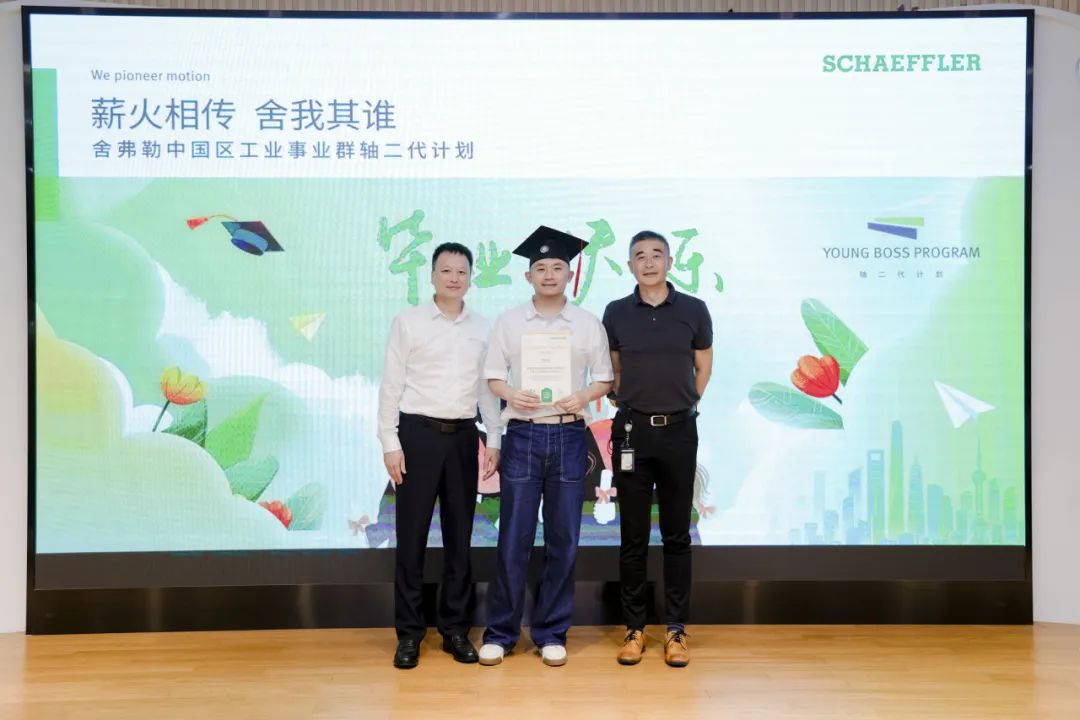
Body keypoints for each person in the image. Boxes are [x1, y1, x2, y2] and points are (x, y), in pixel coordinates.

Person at [477, 226, 613, 668]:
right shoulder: (510, 322)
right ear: (528, 276)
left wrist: (584, 396)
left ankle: (552, 631)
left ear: (569, 274)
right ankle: (500, 633)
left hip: (570, 435)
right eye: (541, 268)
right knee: (513, 538)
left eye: (557, 267)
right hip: (524, 435)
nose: (549, 274)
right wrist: (511, 394)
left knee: (563, 538)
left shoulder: (587, 323)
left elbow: (604, 378)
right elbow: (493, 375)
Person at [377, 242, 502, 670]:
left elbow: (486, 388)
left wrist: (495, 438)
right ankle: (409, 634)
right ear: (432, 275)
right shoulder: (408, 322)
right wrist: (389, 442)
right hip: (417, 435)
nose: (454, 278)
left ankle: (455, 630)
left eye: (461, 271)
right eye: (446, 270)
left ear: (470, 278)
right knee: (411, 538)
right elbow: (391, 385)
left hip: (464, 437)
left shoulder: (483, 327)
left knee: (459, 538)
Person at [602, 230, 714, 668]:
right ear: (630, 265)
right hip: (632, 431)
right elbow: (615, 370)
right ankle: (634, 629)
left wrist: (683, 403)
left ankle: (675, 630)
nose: (648, 262)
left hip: (679, 432)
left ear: (669, 261)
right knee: (632, 535)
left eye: (656, 255)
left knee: (676, 534)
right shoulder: (616, 312)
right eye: (639, 256)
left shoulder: (694, 309)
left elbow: (703, 366)